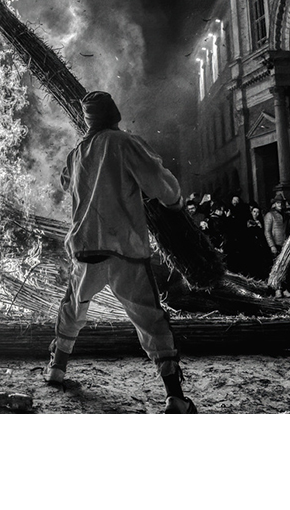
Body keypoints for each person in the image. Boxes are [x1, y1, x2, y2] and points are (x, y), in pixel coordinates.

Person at [45, 91, 197, 414]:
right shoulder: (125, 143)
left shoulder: (76, 154)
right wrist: (175, 202)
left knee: (74, 307)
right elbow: (159, 182)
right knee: (151, 320)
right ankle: (175, 396)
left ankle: (57, 367)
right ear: (114, 115)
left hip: (86, 249)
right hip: (125, 248)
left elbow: (64, 182)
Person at [264, 193, 290, 297]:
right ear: (274, 204)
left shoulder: (284, 215)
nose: (280, 204)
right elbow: (267, 232)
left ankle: (284, 289)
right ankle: (277, 289)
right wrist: (272, 245)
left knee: (284, 267)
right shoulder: (270, 215)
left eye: (281, 203)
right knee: (276, 267)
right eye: (278, 203)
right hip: (276, 244)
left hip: (284, 244)